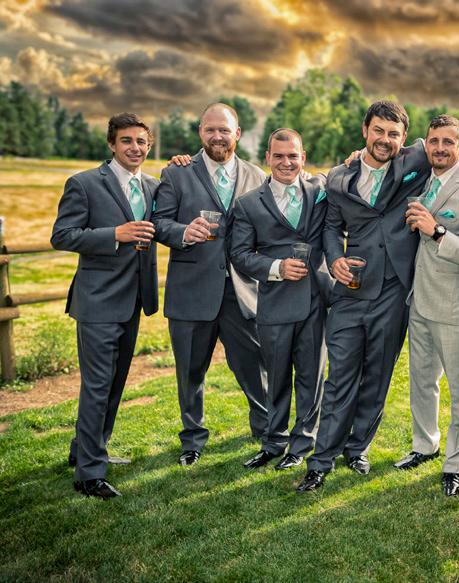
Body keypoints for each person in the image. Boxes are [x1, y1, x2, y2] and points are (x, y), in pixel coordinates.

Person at [296, 100, 459, 492]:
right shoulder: (339, 177)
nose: (385, 140)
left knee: (378, 376)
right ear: (365, 131)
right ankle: (320, 461)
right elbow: (331, 228)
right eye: (378, 131)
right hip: (351, 290)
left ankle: (357, 449)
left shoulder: (414, 160)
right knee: (340, 377)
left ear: (404, 139)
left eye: (393, 134)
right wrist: (334, 259)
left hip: (396, 291)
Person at [152, 103, 269, 466]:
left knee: (254, 366)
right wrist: (183, 232)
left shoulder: (257, 176)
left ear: (238, 133)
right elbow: (159, 223)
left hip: (242, 290)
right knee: (190, 371)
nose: (217, 136)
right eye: (210, 130)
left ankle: (267, 430)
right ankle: (192, 439)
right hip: (192, 289)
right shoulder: (176, 173)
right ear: (200, 132)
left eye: (224, 130)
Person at [51, 112, 158, 498]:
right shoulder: (83, 184)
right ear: (112, 144)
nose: (135, 148)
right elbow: (62, 235)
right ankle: (89, 475)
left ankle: (86, 449)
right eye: (126, 140)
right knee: (97, 386)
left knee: (114, 384)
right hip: (97, 302)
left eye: (141, 141)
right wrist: (115, 234)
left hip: (134, 300)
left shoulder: (152, 186)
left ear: (149, 146)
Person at [394, 115, 459, 497]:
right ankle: (425, 445)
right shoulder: (422, 177)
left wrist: (436, 231)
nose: (439, 148)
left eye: (448, 142)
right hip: (419, 300)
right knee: (422, 381)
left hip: (454, 307)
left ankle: (454, 464)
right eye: (433, 141)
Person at [228, 128, 330, 471]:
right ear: (268, 158)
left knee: (311, 377)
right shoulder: (248, 204)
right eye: (279, 156)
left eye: (293, 156)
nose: (287, 162)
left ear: (303, 157)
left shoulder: (320, 191)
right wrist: (276, 267)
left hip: (314, 301)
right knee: (276, 376)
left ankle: (302, 443)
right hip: (273, 302)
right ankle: (273, 441)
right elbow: (240, 254)